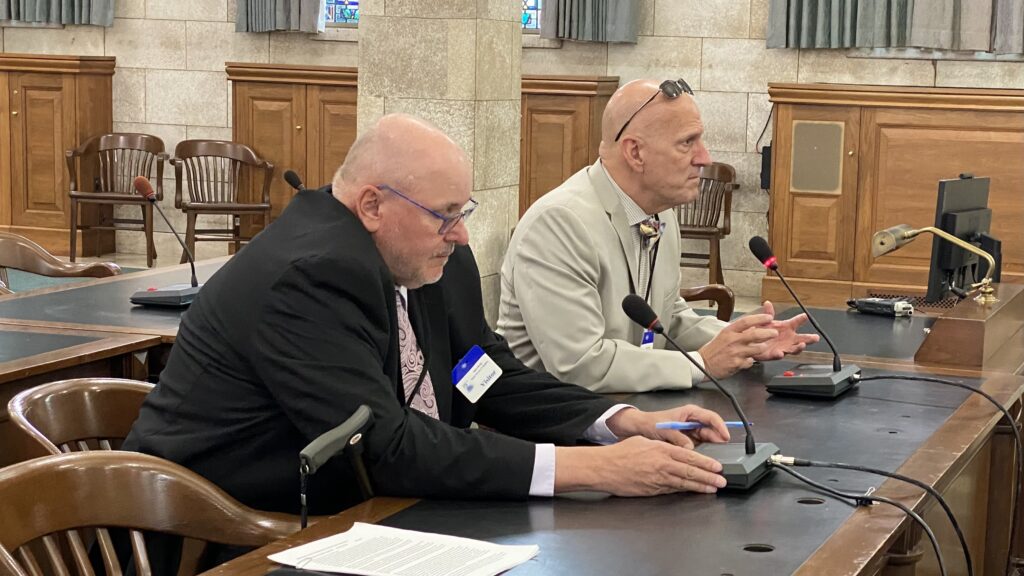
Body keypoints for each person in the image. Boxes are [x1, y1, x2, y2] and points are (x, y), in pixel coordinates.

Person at [123, 114, 735, 570]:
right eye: (445, 214)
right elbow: (385, 444)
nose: (462, 235)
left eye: (462, 211)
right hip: (229, 535)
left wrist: (618, 422)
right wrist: (590, 468)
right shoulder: (310, 276)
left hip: (373, 513)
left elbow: (485, 374)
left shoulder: (424, 258)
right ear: (371, 206)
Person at [497, 79, 818, 393]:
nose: (704, 158)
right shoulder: (559, 224)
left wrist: (745, 340)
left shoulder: (659, 212)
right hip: (553, 429)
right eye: (687, 143)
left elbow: (667, 319)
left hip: (626, 410)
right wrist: (702, 364)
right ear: (635, 152)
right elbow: (581, 366)